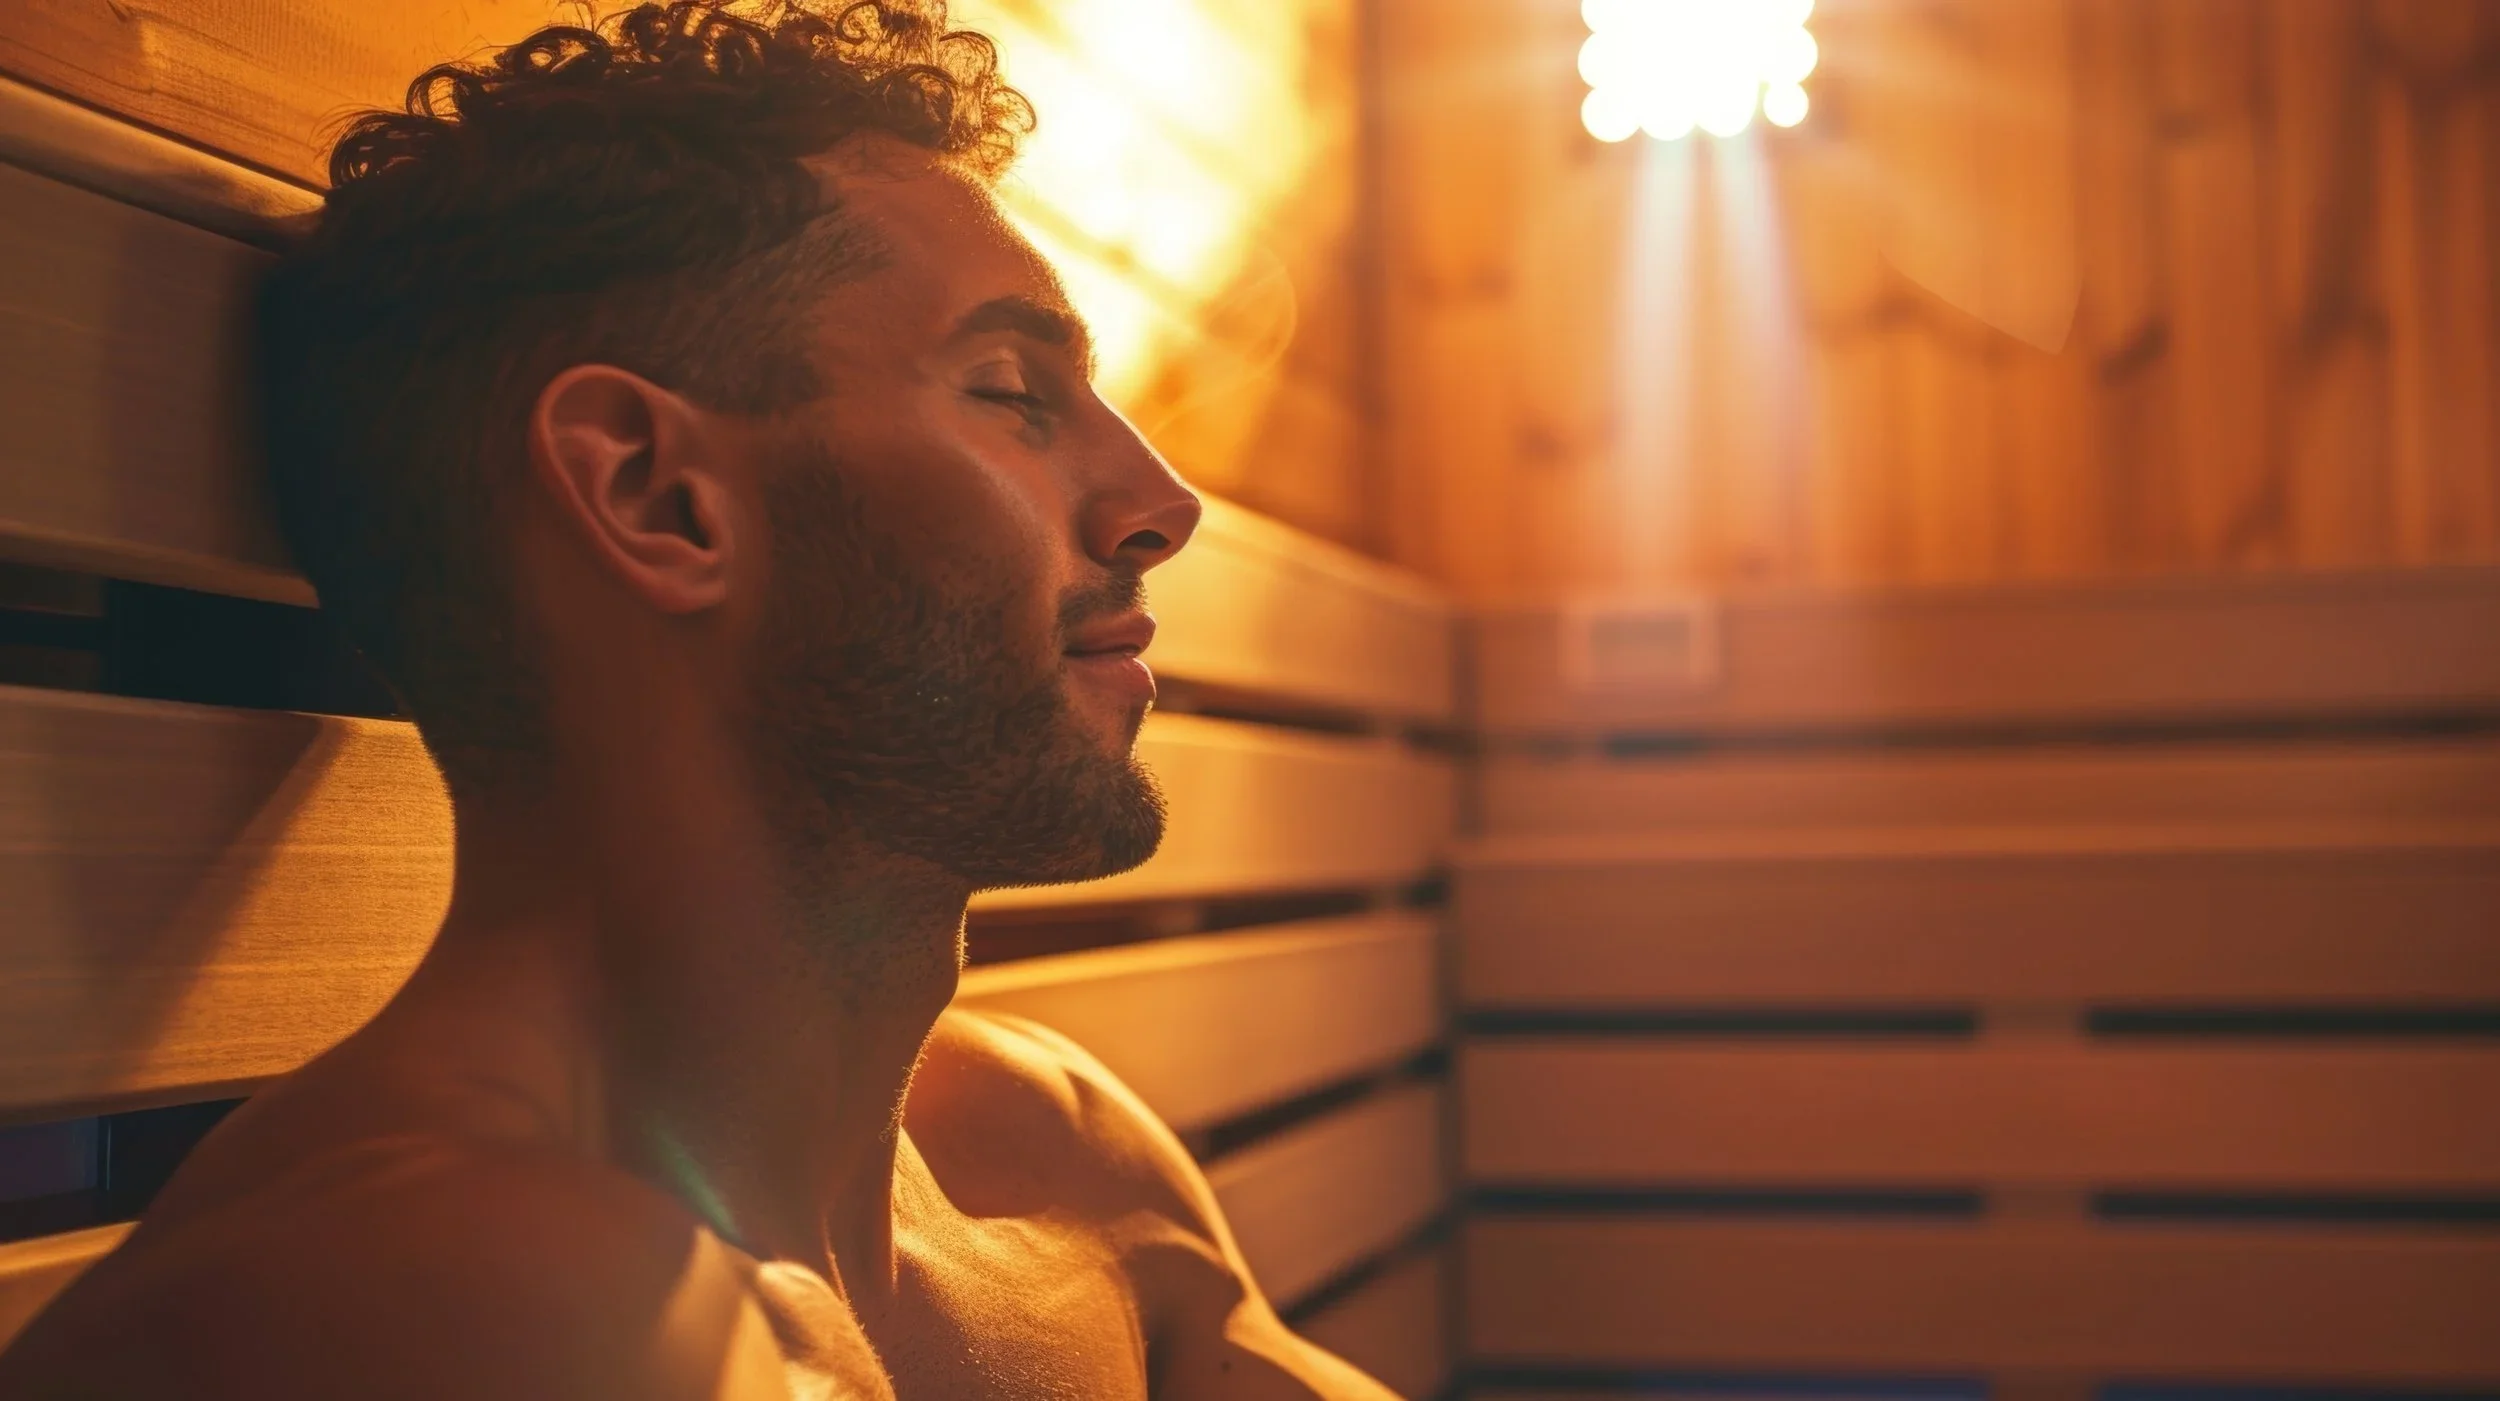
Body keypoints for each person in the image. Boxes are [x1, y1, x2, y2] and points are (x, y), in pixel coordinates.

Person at [0, 3, 1403, 1397]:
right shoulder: (452, 1300)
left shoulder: (1045, 1150)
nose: (1163, 503)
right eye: (1009, 392)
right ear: (654, 497)